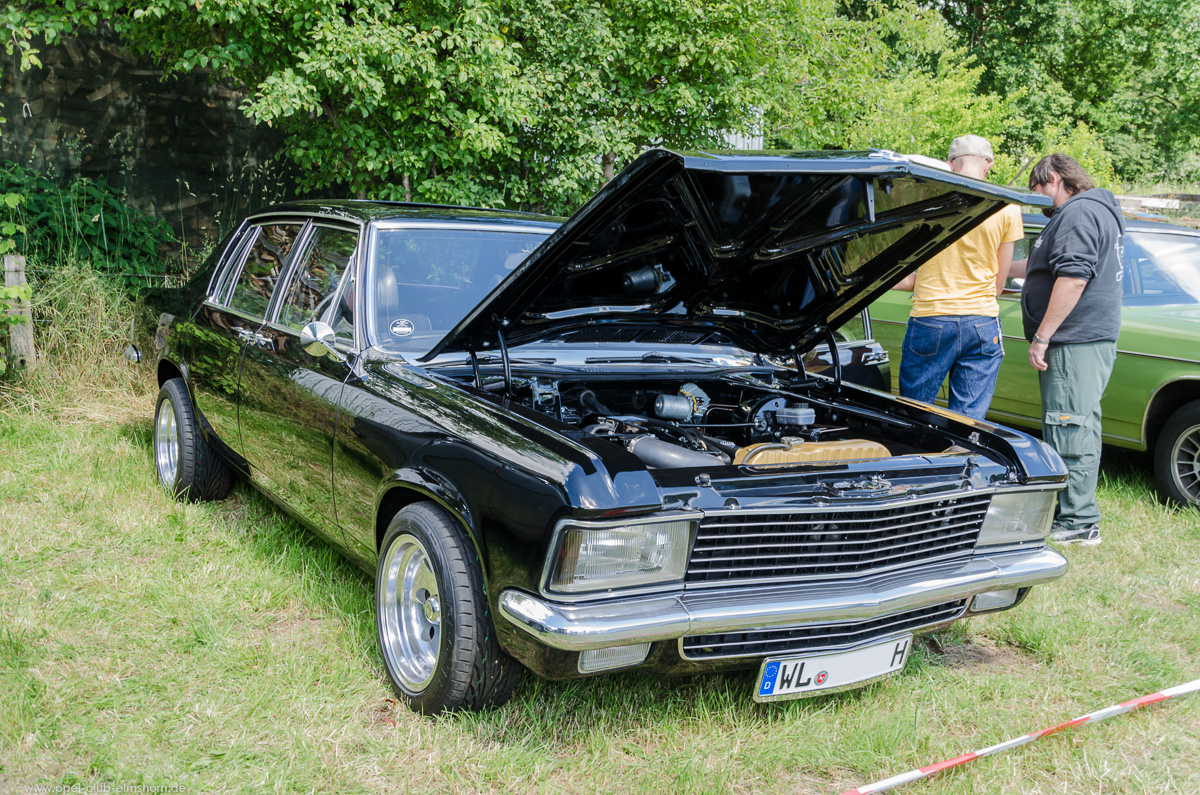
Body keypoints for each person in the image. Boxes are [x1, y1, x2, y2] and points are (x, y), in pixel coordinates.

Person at [1021, 153, 1124, 546]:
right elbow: (1045, 267)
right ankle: (1078, 512)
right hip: (1088, 337)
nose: (1039, 198)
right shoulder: (1096, 210)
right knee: (1081, 424)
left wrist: (1043, 335)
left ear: (1053, 176)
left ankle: (1078, 521)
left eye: (1039, 189)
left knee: (1066, 426)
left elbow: (1073, 278)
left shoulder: (1079, 213)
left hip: (1072, 339)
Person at [894, 135, 1023, 420]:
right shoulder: (1007, 205)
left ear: (951, 164)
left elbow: (906, 260)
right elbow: (1000, 281)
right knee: (969, 422)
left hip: (931, 317)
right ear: (987, 165)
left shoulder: (928, 200)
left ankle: (913, 461)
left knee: (914, 414)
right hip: (982, 321)